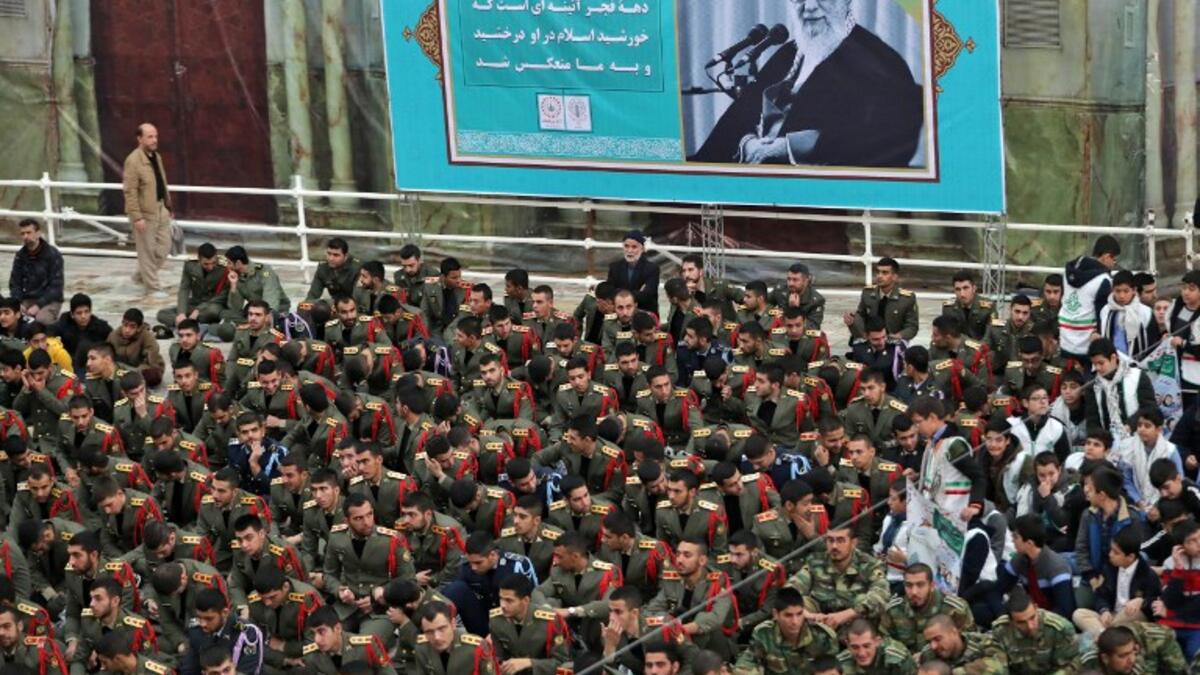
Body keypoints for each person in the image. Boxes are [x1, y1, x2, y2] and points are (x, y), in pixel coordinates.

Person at [689, 0, 922, 167]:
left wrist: (788, 147)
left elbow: (885, 138)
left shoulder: (880, 62)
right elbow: (741, 116)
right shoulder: (789, 52)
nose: (809, 6)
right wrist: (747, 143)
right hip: (756, 185)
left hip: (814, 204)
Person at [122, 122, 173, 294]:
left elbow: (162, 182)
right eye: (150, 136)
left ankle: (139, 276)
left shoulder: (156, 157)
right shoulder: (133, 160)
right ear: (139, 138)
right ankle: (152, 288)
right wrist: (137, 217)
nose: (154, 140)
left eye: (155, 136)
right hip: (144, 213)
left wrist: (168, 205)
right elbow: (130, 191)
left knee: (164, 247)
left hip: (160, 208)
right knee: (146, 251)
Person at [1059, 234, 1120, 361]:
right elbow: (1102, 314)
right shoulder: (1104, 280)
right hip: (1087, 345)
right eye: (1114, 260)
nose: (1114, 264)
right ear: (1107, 256)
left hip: (1064, 340)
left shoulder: (1067, 272)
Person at [845, 258, 918, 343]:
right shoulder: (868, 293)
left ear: (895, 277)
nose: (879, 276)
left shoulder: (906, 299)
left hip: (894, 340)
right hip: (871, 339)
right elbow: (861, 315)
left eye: (885, 273)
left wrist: (898, 336)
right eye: (878, 272)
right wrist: (852, 320)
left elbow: (912, 326)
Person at [10, 218, 64, 324]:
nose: (25, 236)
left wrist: (38, 305)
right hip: (28, 298)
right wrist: (18, 303)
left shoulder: (53, 255)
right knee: (11, 317)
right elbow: (15, 283)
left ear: (38, 233)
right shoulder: (20, 256)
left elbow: (56, 287)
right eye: (22, 233)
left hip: (50, 300)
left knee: (41, 320)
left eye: (29, 233)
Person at [606, 230, 660, 315]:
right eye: (626, 246)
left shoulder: (652, 269)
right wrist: (637, 293)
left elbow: (647, 295)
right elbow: (610, 292)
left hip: (644, 314)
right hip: (621, 314)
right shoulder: (615, 267)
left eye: (634, 247)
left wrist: (621, 294)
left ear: (642, 249)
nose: (629, 250)